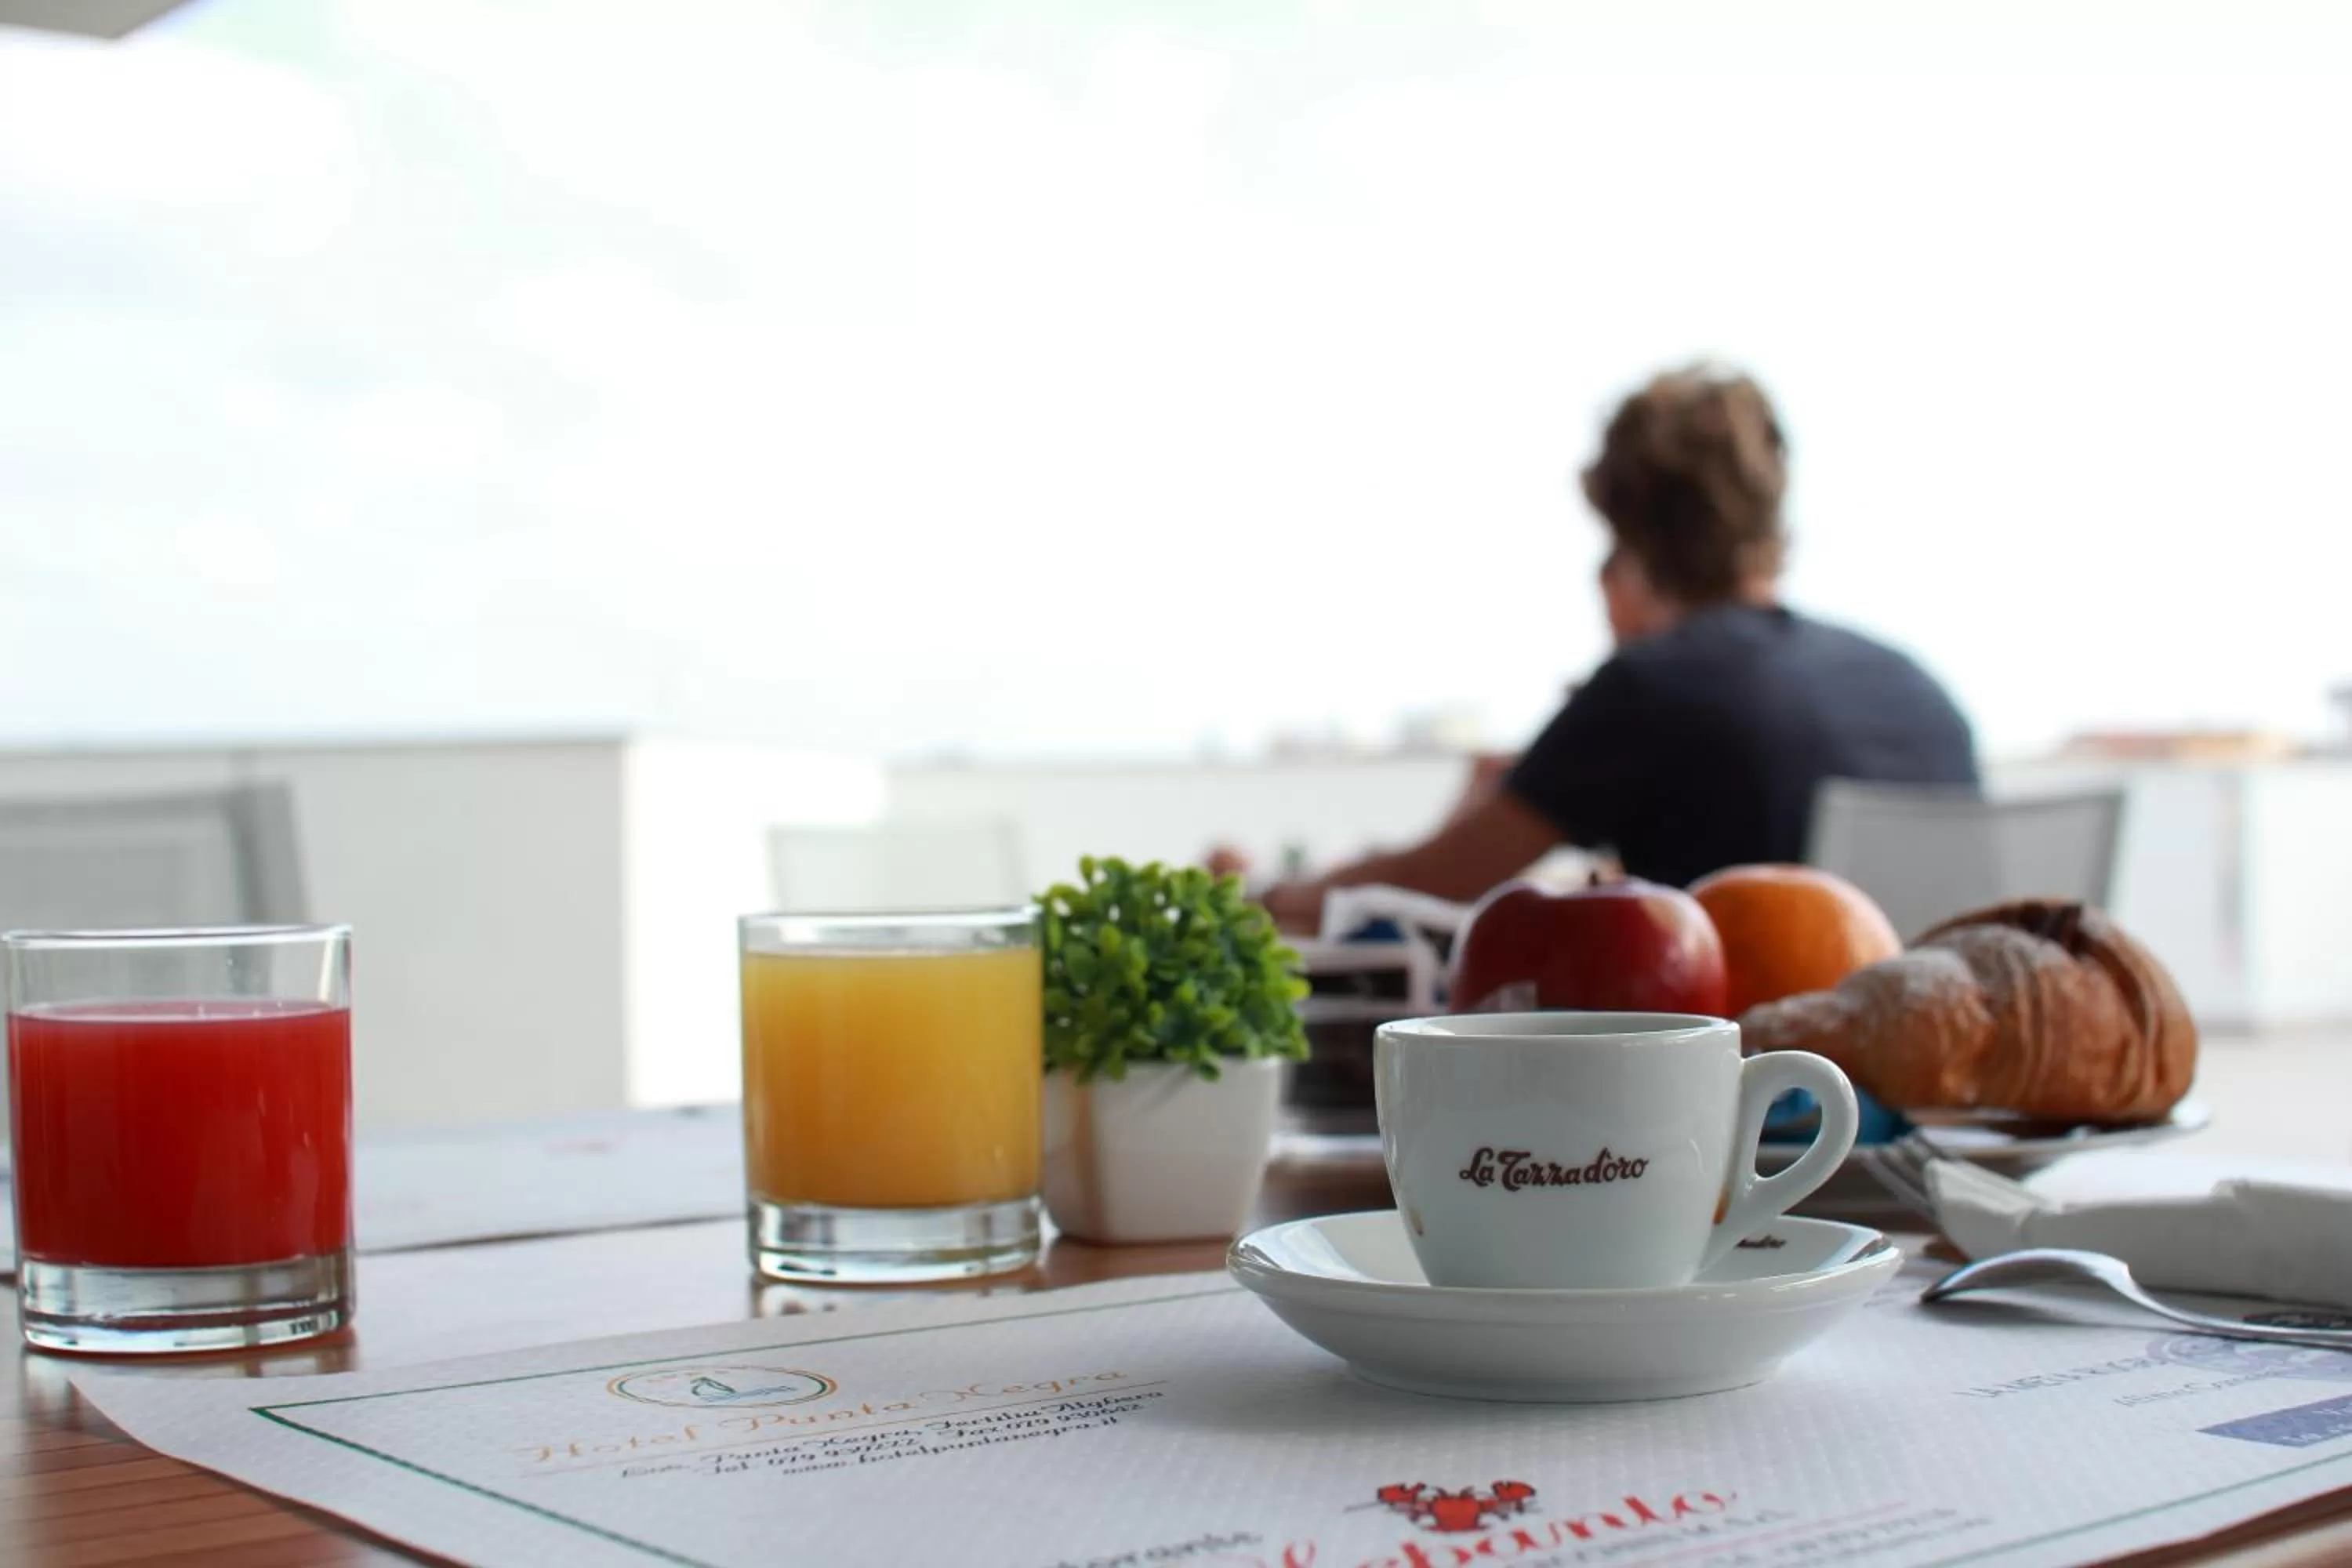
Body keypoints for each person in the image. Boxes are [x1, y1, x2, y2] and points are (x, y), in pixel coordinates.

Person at [1258, 364, 1979, 932]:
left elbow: (1423, 885)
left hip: (1739, 1093)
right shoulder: (1922, 692)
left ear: (1625, 531)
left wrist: (1267, 895)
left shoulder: (1652, 688)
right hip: (1922, 1102)